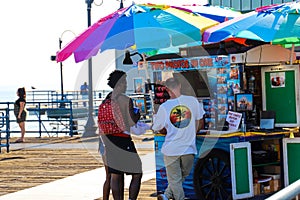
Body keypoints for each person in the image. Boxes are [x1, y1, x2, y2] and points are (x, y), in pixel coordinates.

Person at [152, 77, 205, 200]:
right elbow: (200, 121)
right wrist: (192, 132)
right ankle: (168, 196)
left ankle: (167, 195)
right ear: (179, 86)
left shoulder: (164, 107)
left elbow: (158, 127)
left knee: (176, 179)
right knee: (179, 177)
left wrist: (167, 130)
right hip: (189, 148)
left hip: (171, 149)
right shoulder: (192, 101)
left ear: (167, 90)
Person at [98, 70, 142, 200]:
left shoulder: (106, 99)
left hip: (108, 140)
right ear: (120, 83)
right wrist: (137, 115)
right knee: (137, 173)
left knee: (115, 174)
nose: (126, 85)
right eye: (125, 82)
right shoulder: (125, 100)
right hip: (123, 140)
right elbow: (131, 122)